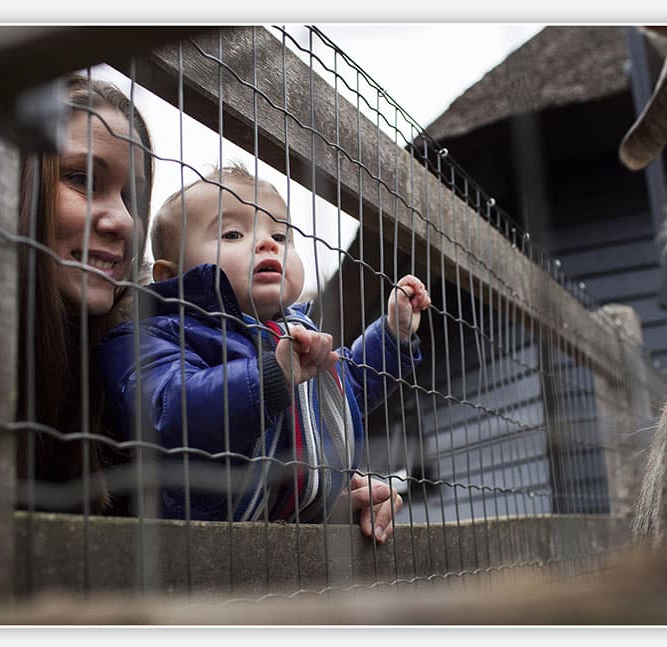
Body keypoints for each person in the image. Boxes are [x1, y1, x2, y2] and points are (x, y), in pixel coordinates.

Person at [96, 163, 431, 543]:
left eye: (281, 235)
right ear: (169, 276)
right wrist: (271, 376)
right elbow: (169, 411)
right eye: (233, 233)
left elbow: (344, 390)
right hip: (197, 542)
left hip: (298, 540)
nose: (268, 243)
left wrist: (392, 337)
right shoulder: (150, 337)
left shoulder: (297, 333)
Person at [16, 74, 154, 513]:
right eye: (82, 178)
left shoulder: (145, 368)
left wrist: (322, 495)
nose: (125, 221)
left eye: (131, 196)